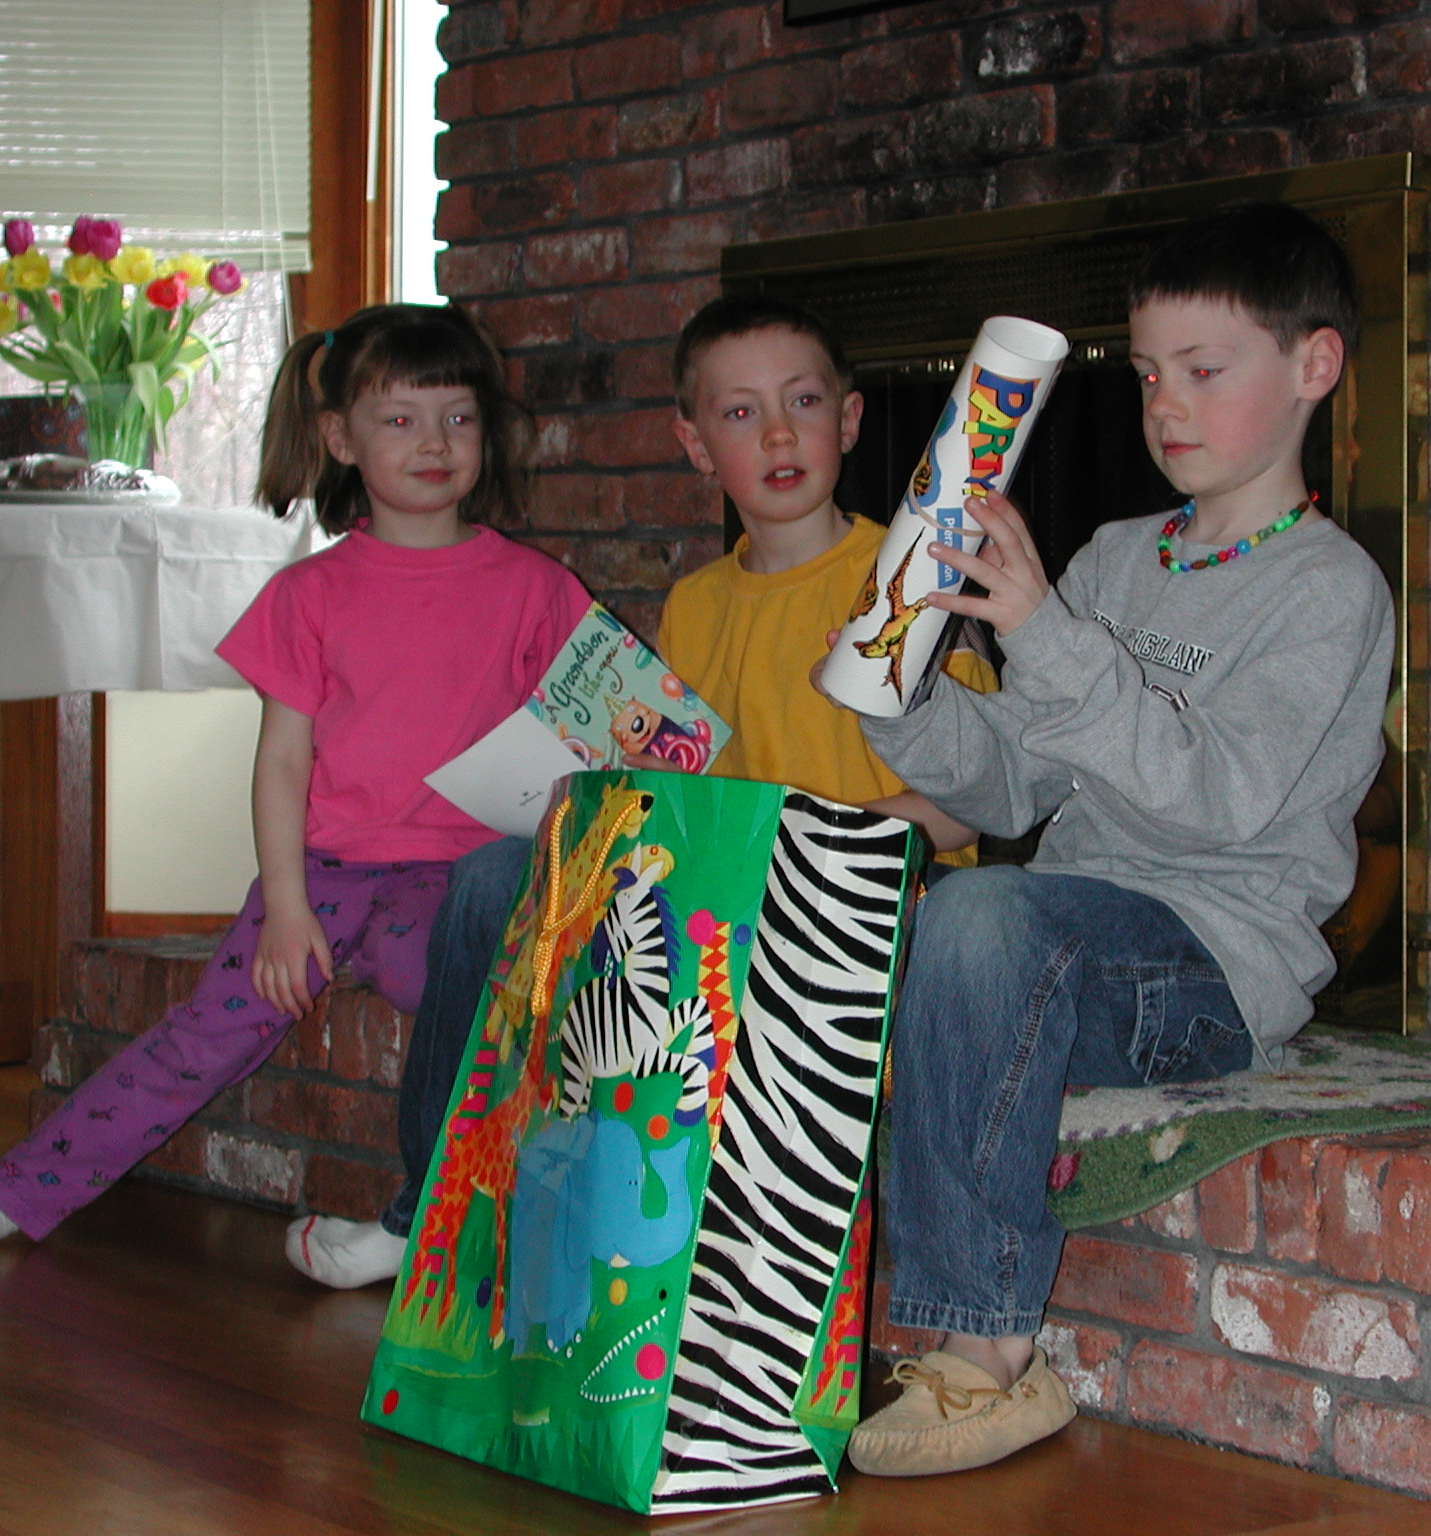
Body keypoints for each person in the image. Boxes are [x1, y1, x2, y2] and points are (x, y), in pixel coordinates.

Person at [835, 202, 1396, 1477]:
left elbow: (1215, 800)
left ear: (1311, 366)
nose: (1165, 405)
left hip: (1211, 970)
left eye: (1203, 370)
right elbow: (1007, 785)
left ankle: (986, 1349)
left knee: (977, 913)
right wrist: (898, 684)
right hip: (1072, 948)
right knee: (876, 919)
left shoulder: (1329, 590)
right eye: (1146, 375)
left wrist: (1045, 634)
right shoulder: (1114, 557)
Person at [288, 293, 993, 1288]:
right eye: (740, 412)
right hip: (722, 898)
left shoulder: (914, 582)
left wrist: (805, 840)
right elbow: (675, 785)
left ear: (848, 420)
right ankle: (432, 1215)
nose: (778, 433)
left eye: (801, 402)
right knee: (490, 879)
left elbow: (967, 808)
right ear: (695, 445)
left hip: (867, 897)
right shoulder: (694, 605)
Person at [0, 304, 591, 1268]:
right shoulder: (309, 595)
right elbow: (281, 761)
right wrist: (285, 904)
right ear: (339, 438)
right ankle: (10, 1199)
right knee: (202, 1035)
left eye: (458, 418)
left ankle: (447, 1227)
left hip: (453, 882)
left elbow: (582, 735)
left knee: (467, 1004)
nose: (435, 444)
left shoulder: (535, 589)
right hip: (322, 874)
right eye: (400, 420)